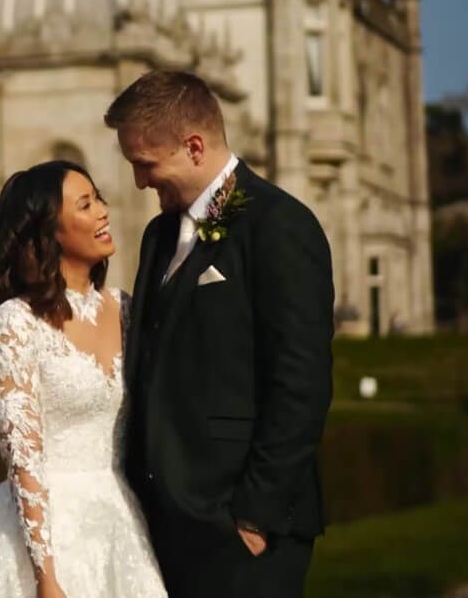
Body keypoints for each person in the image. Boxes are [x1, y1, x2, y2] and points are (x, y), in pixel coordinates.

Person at [104, 70, 335, 598]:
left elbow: (301, 382)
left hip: (241, 527)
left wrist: (255, 516)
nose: (139, 182)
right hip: (166, 525)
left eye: (145, 164)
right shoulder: (159, 236)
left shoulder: (280, 225)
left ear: (193, 146)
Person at [0, 161, 167, 598]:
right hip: (46, 538)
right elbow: (22, 456)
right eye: (85, 205)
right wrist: (45, 576)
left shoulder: (125, 309)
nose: (103, 211)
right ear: (49, 231)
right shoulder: (17, 323)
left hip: (122, 521)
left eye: (99, 198)